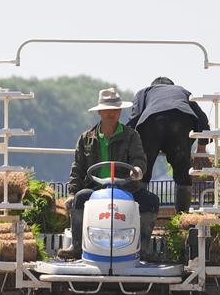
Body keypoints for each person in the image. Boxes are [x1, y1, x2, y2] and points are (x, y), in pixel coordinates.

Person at [58, 87, 160, 260]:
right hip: (95, 189)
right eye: (107, 109)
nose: (111, 113)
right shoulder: (86, 138)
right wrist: (73, 192)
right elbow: (78, 168)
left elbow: (139, 159)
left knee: (151, 201)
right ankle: (76, 247)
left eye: (115, 109)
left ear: (120, 111)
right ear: (100, 111)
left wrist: (137, 170)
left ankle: (143, 248)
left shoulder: (131, 136)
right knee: (80, 197)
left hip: (127, 189)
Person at [127, 77, 211, 213]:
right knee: (183, 175)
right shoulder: (182, 91)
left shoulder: (144, 92)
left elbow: (134, 118)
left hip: (151, 122)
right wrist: (202, 146)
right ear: (172, 86)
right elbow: (202, 118)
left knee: (142, 170)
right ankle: (182, 219)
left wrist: (128, 145)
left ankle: (137, 214)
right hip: (181, 120)